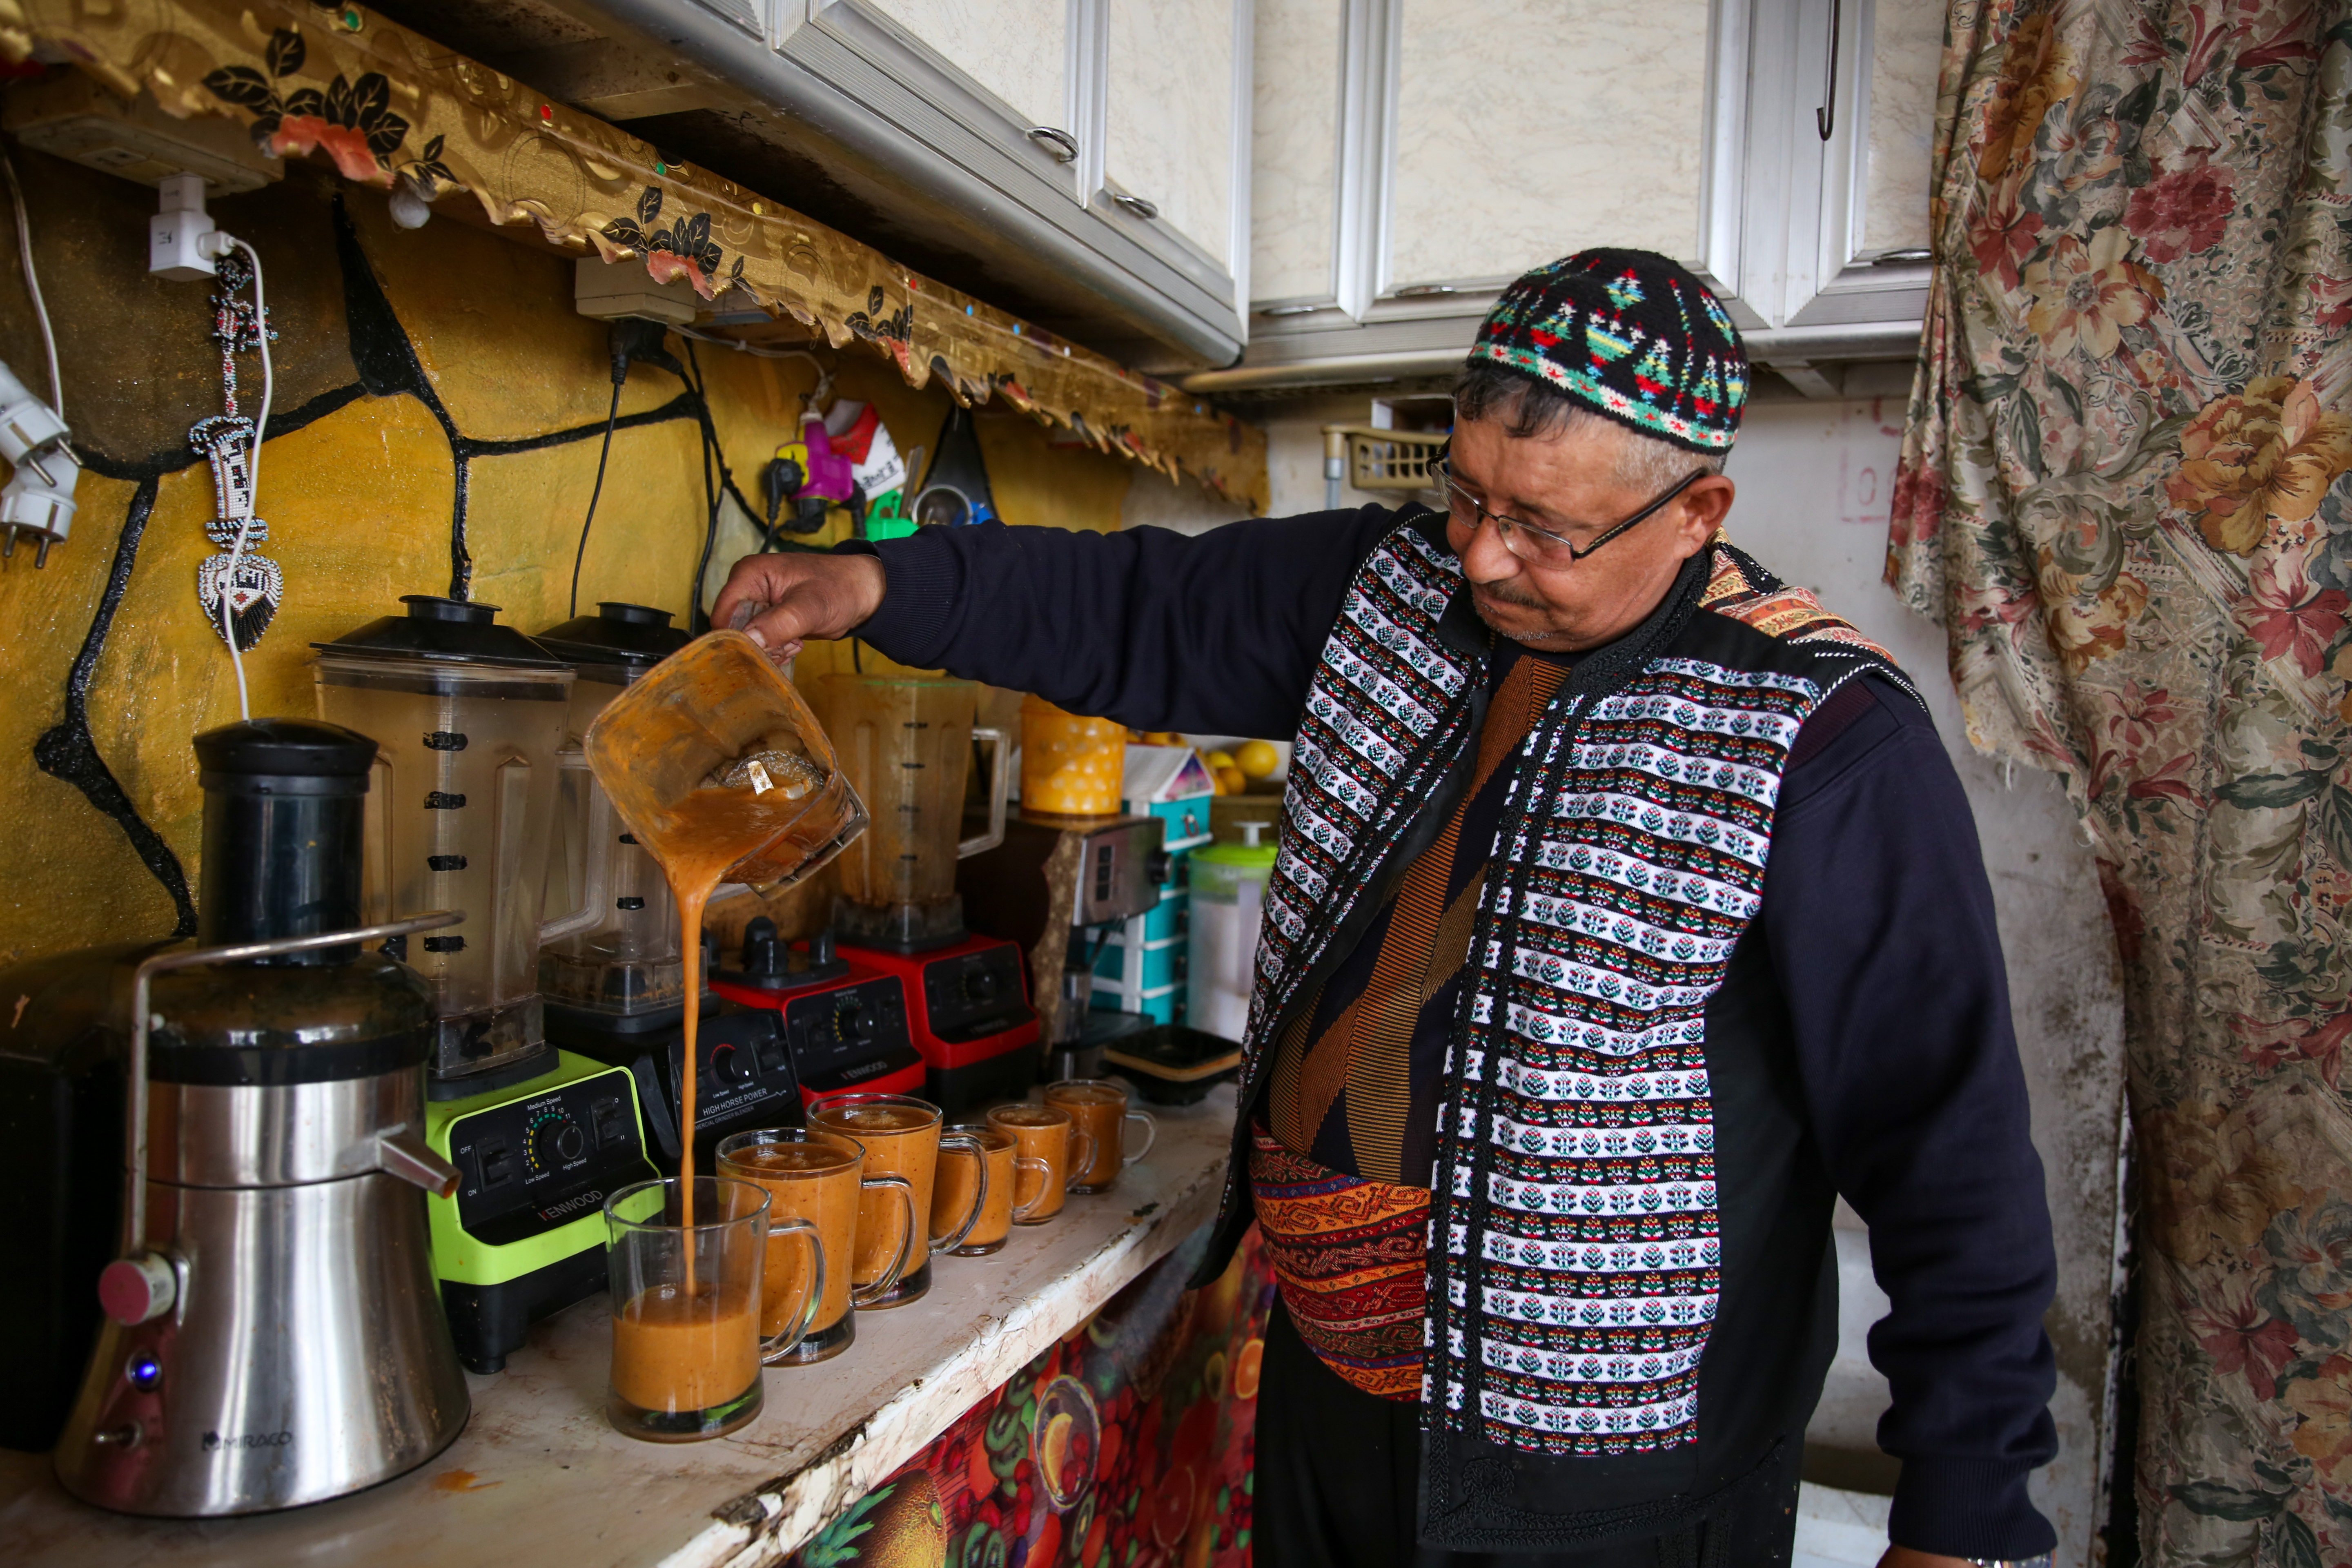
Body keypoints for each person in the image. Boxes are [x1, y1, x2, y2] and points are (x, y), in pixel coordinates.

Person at [713, 250, 2060, 1568]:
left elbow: (1950, 1146)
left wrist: (1964, 1513)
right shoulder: (1388, 583)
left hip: (1601, 1487)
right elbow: (1144, 608)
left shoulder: (1820, 736)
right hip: (1330, 1403)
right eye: (1468, 495)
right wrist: (877, 587)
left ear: (1696, 512)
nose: (1480, 557)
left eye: (1544, 527)